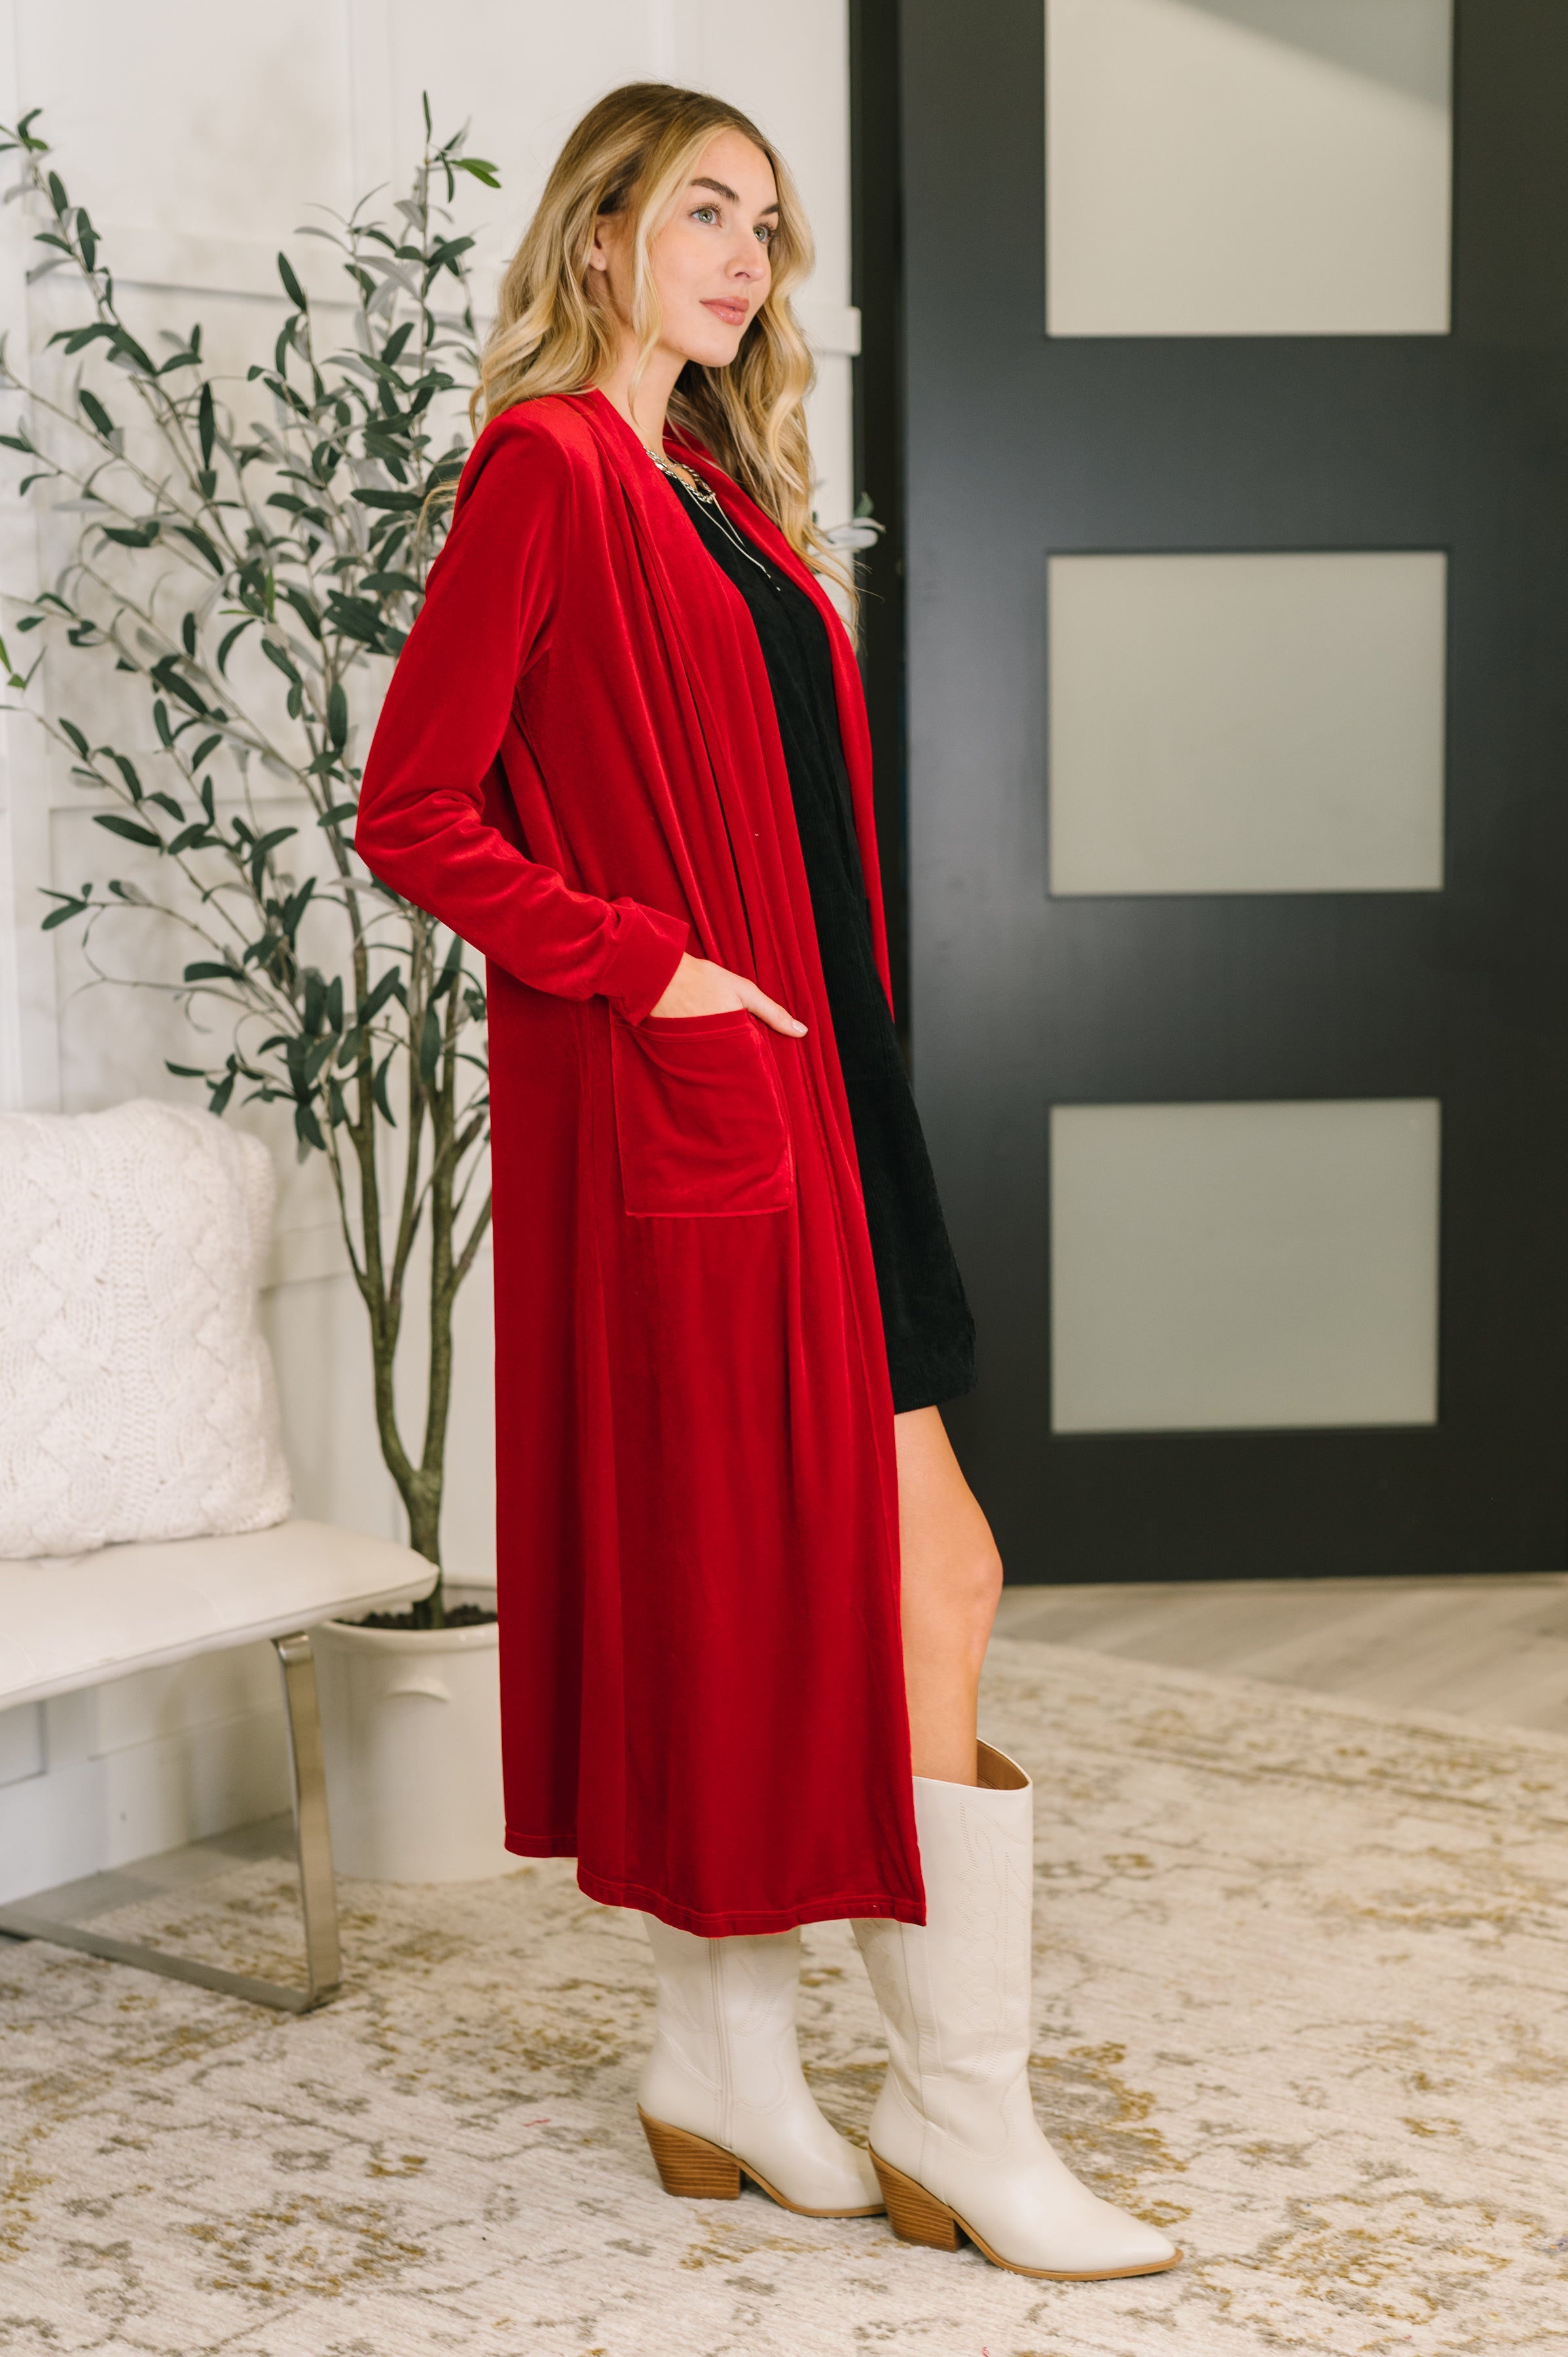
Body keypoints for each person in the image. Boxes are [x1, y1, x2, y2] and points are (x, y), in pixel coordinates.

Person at [355, 81, 1176, 2283]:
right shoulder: (547, 471)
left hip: (828, 1100)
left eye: (767, 227)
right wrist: (657, 973)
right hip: (706, 1098)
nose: (745, 258)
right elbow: (414, 808)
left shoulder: (713, 488)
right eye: (704, 211)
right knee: (890, 1585)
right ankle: (954, 2114)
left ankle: (723, 2062)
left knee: (838, 1588)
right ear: (598, 235)